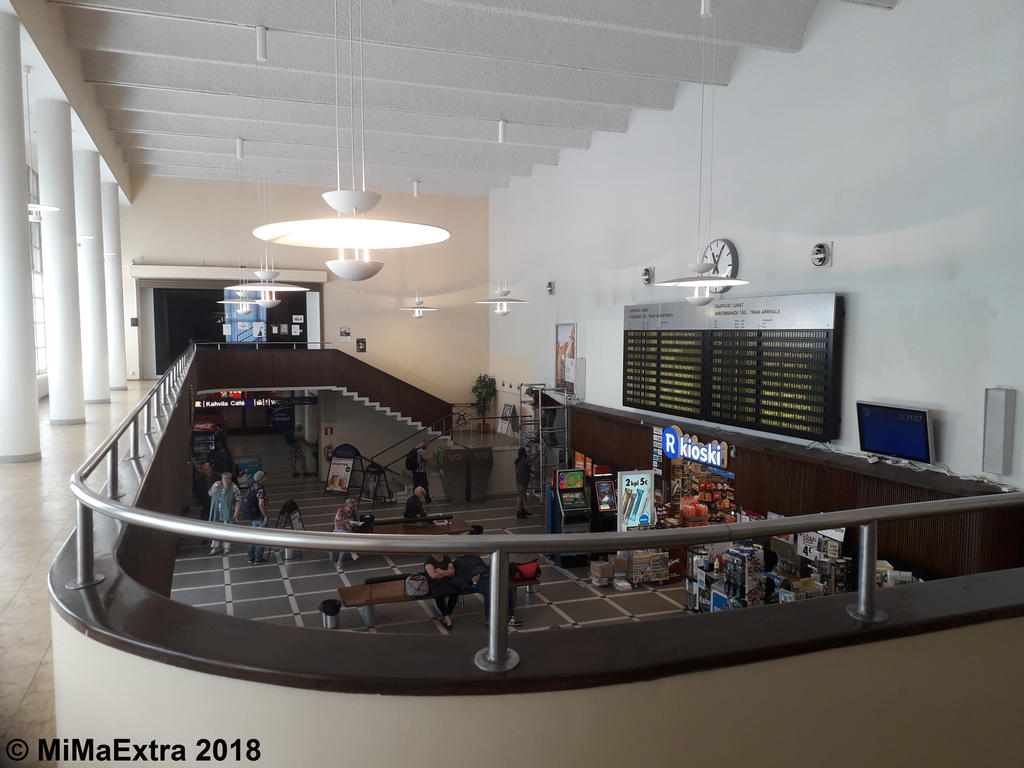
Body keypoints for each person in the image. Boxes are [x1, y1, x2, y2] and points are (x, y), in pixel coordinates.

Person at [452, 555, 523, 627]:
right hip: (476, 581)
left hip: (486, 577)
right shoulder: (457, 562)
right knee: (489, 590)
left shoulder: (475, 557)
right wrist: (471, 579)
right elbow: (459, 576)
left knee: (505, 587)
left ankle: (510, 616)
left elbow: (485, 568)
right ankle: (490, 620)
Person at [207, 470, 240, 556]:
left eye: (227, 478)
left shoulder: (234, 487)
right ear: (221, 478)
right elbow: (209, 493)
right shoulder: (217, 484)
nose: (225, 480)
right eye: (224, 478)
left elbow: (238, 500)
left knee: (226, 530)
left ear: (230, 479)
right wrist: (212, 491)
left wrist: (236, 512)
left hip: (227, 512)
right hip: (216, 512)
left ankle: (226, 547)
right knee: (215, 529)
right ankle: (215, 547)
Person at [424, 553, 458, 629]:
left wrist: (440, 571)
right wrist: (446, 573)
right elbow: (433, 576)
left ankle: (447, 616)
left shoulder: (446, 558)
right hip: (435, 584)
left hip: (447, 582)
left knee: (454, 594)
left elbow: (452, 572)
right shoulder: (429, 561)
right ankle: (448, 618)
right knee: (439, 596)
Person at [241, 470, 269, 563]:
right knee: (262, 536)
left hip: (253, 515)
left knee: (253, 536)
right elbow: (261, 504)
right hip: (259, 515)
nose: (266, 477)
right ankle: (258, 558)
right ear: (261, 479)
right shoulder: (260, 490)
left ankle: (251, 557)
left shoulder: (252, 487)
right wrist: (265, 516)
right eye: (264, 476)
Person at [331, 499, 360, 571]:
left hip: (348, 531)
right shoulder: (340, 511)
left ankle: (340, 561)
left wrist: (355, 520)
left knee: (345, 541)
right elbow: (336, 524)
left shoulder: (353, 511)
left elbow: (356, 521)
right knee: (346, 538)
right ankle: (352, 552)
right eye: (351, 508)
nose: (352, 509)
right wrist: (346, 521)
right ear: (346, 506)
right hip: (339, 530)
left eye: (353, 507)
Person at [514, 447, 532, 519]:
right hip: (521, 481)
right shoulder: (523, 461)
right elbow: (532, 459)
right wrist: (539, 451)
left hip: (521, 480)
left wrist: (532, 472)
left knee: (521, 496)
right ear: (524, 453)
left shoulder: (518, 460)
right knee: (520, 497)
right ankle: (519, 512)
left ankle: (522, 510)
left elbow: (526, 468)